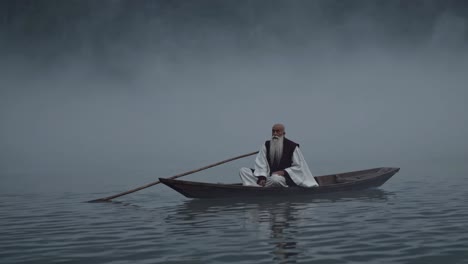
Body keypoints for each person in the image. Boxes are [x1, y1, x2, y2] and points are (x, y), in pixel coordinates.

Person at [239, 124, 319, 188]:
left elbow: (299, 166)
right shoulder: (266, 145)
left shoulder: (292, 146)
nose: (275, 134)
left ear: (283, 134)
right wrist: (262, 177)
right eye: (273, 131)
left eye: (278, 131)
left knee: (275, 179)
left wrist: (284, 172)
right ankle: (259, 186)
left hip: (283, 178)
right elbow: (261, 163)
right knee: (243, 171)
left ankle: (258, 187)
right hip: (267, 177)